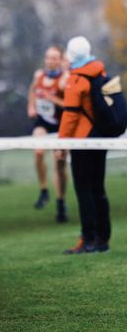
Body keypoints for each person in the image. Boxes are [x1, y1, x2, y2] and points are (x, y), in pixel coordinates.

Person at [59, 36, 111, 254]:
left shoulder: (76, 79)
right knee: (98, 189)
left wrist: (61, 144)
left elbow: (70, 116)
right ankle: (102, 240)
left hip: (81, 142)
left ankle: (88, 240)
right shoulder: (100, 72)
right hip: (100, 138)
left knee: (84, 191)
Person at [27, 45, 68, 222]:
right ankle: (44, 190)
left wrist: (52, 98)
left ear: (60, 60)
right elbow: (32, 91)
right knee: (38, 152)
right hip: (42, 122)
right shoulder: (39, 75)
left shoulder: (65, 79)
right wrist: (31, 106)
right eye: (48, 57)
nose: (50, 61)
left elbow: (69, 105)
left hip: (60, 125)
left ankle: (61, 202)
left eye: (54, 58)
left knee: (59, 163)